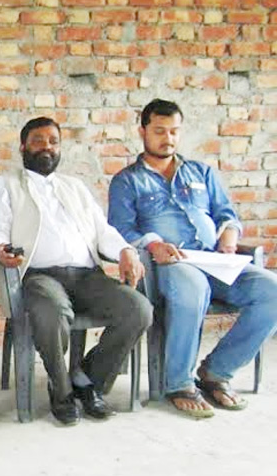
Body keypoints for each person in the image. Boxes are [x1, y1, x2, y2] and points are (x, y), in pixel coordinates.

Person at [108, 98, 277, 418]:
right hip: (168, 265)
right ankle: (179, 383)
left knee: (273, 290)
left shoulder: (201, 172)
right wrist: (154, 244)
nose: (167, 138)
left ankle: (216, 372)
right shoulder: (127, 180)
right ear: (142, 131)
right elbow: (120, 229)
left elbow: (227, 214)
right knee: (193, 286)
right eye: (159, 131)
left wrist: (230, 233)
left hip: (215, 261)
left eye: (174, 131)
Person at [0, 117, 152, 425]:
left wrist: (126, 250)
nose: (46, 146)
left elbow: (103, 230)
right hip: (39, 276)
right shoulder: (5, 185)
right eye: (38, 140)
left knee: (138, 309)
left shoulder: (74, 187)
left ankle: (87, 381)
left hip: (87, 276)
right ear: (23, 146)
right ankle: (60, 390)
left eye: (53, 141)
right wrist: (0, 249)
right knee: (52, 310)